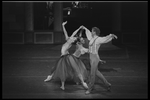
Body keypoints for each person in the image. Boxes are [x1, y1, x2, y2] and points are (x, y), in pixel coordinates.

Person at [44, 21, 88, 90]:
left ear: (74, 41)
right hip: (63, 55)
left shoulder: (71, 42)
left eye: (73, 38)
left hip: (65, 56)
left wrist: (79, 29)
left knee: (62, 69)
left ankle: (65, 84)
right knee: (57, 68)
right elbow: (66, 32)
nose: (72, 37)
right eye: (72, 37)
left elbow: (75, 34)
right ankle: (50, 77)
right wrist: (63, 26)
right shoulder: (68, 39)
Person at [82, 26, 118, 94]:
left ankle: (90, 88)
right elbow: (88, 34)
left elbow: (105, 39)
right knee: (96, 72)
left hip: (95, 58)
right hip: (91, 57)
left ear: (95, 32)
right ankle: (107, 84)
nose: (91, 32)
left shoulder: (98, 39)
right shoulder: (91, 38)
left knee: (92, 73)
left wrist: (111, 35)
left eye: (92, 31)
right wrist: (84, 28)